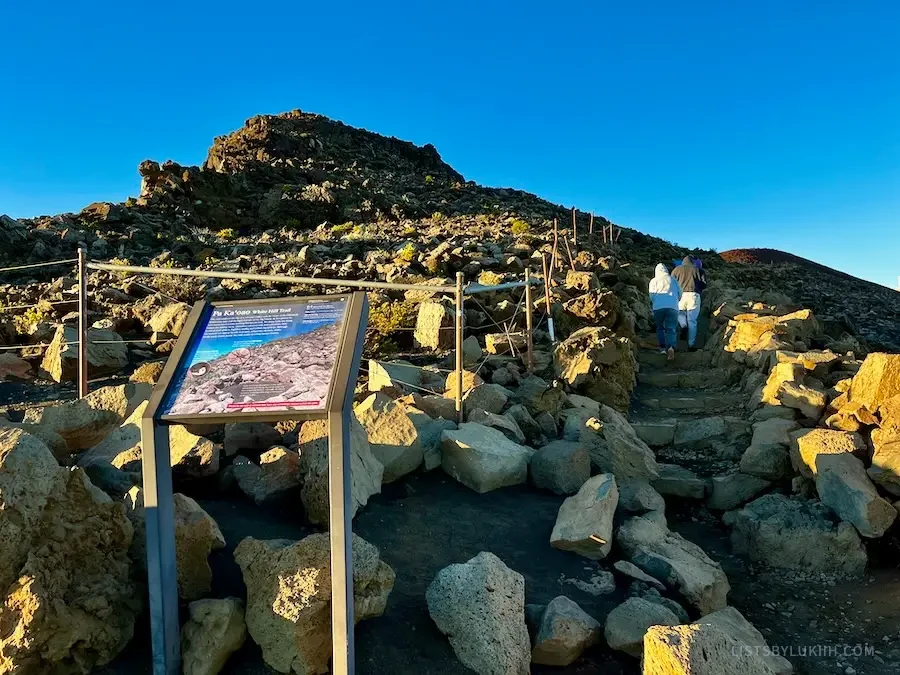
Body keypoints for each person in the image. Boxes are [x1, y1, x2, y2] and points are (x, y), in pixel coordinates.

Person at [671, 256, 707, 350]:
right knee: (692, 320)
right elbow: (704, 284)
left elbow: (671, 283)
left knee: (680, 313)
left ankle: (683, 325)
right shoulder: (699, 270)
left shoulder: (676, 270)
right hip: (694, 295)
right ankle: (691, 345)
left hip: (680, 295)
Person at [649, 263, 682, 361]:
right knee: (671, 328)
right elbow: (680, 293)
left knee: (660, 328)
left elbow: (651, 295)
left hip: (658, 307)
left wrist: (656, 302)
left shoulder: (653, 281)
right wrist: (676, 301)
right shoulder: (673, 280)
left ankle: (662, 349)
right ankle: (671, 347)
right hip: (672, 307)